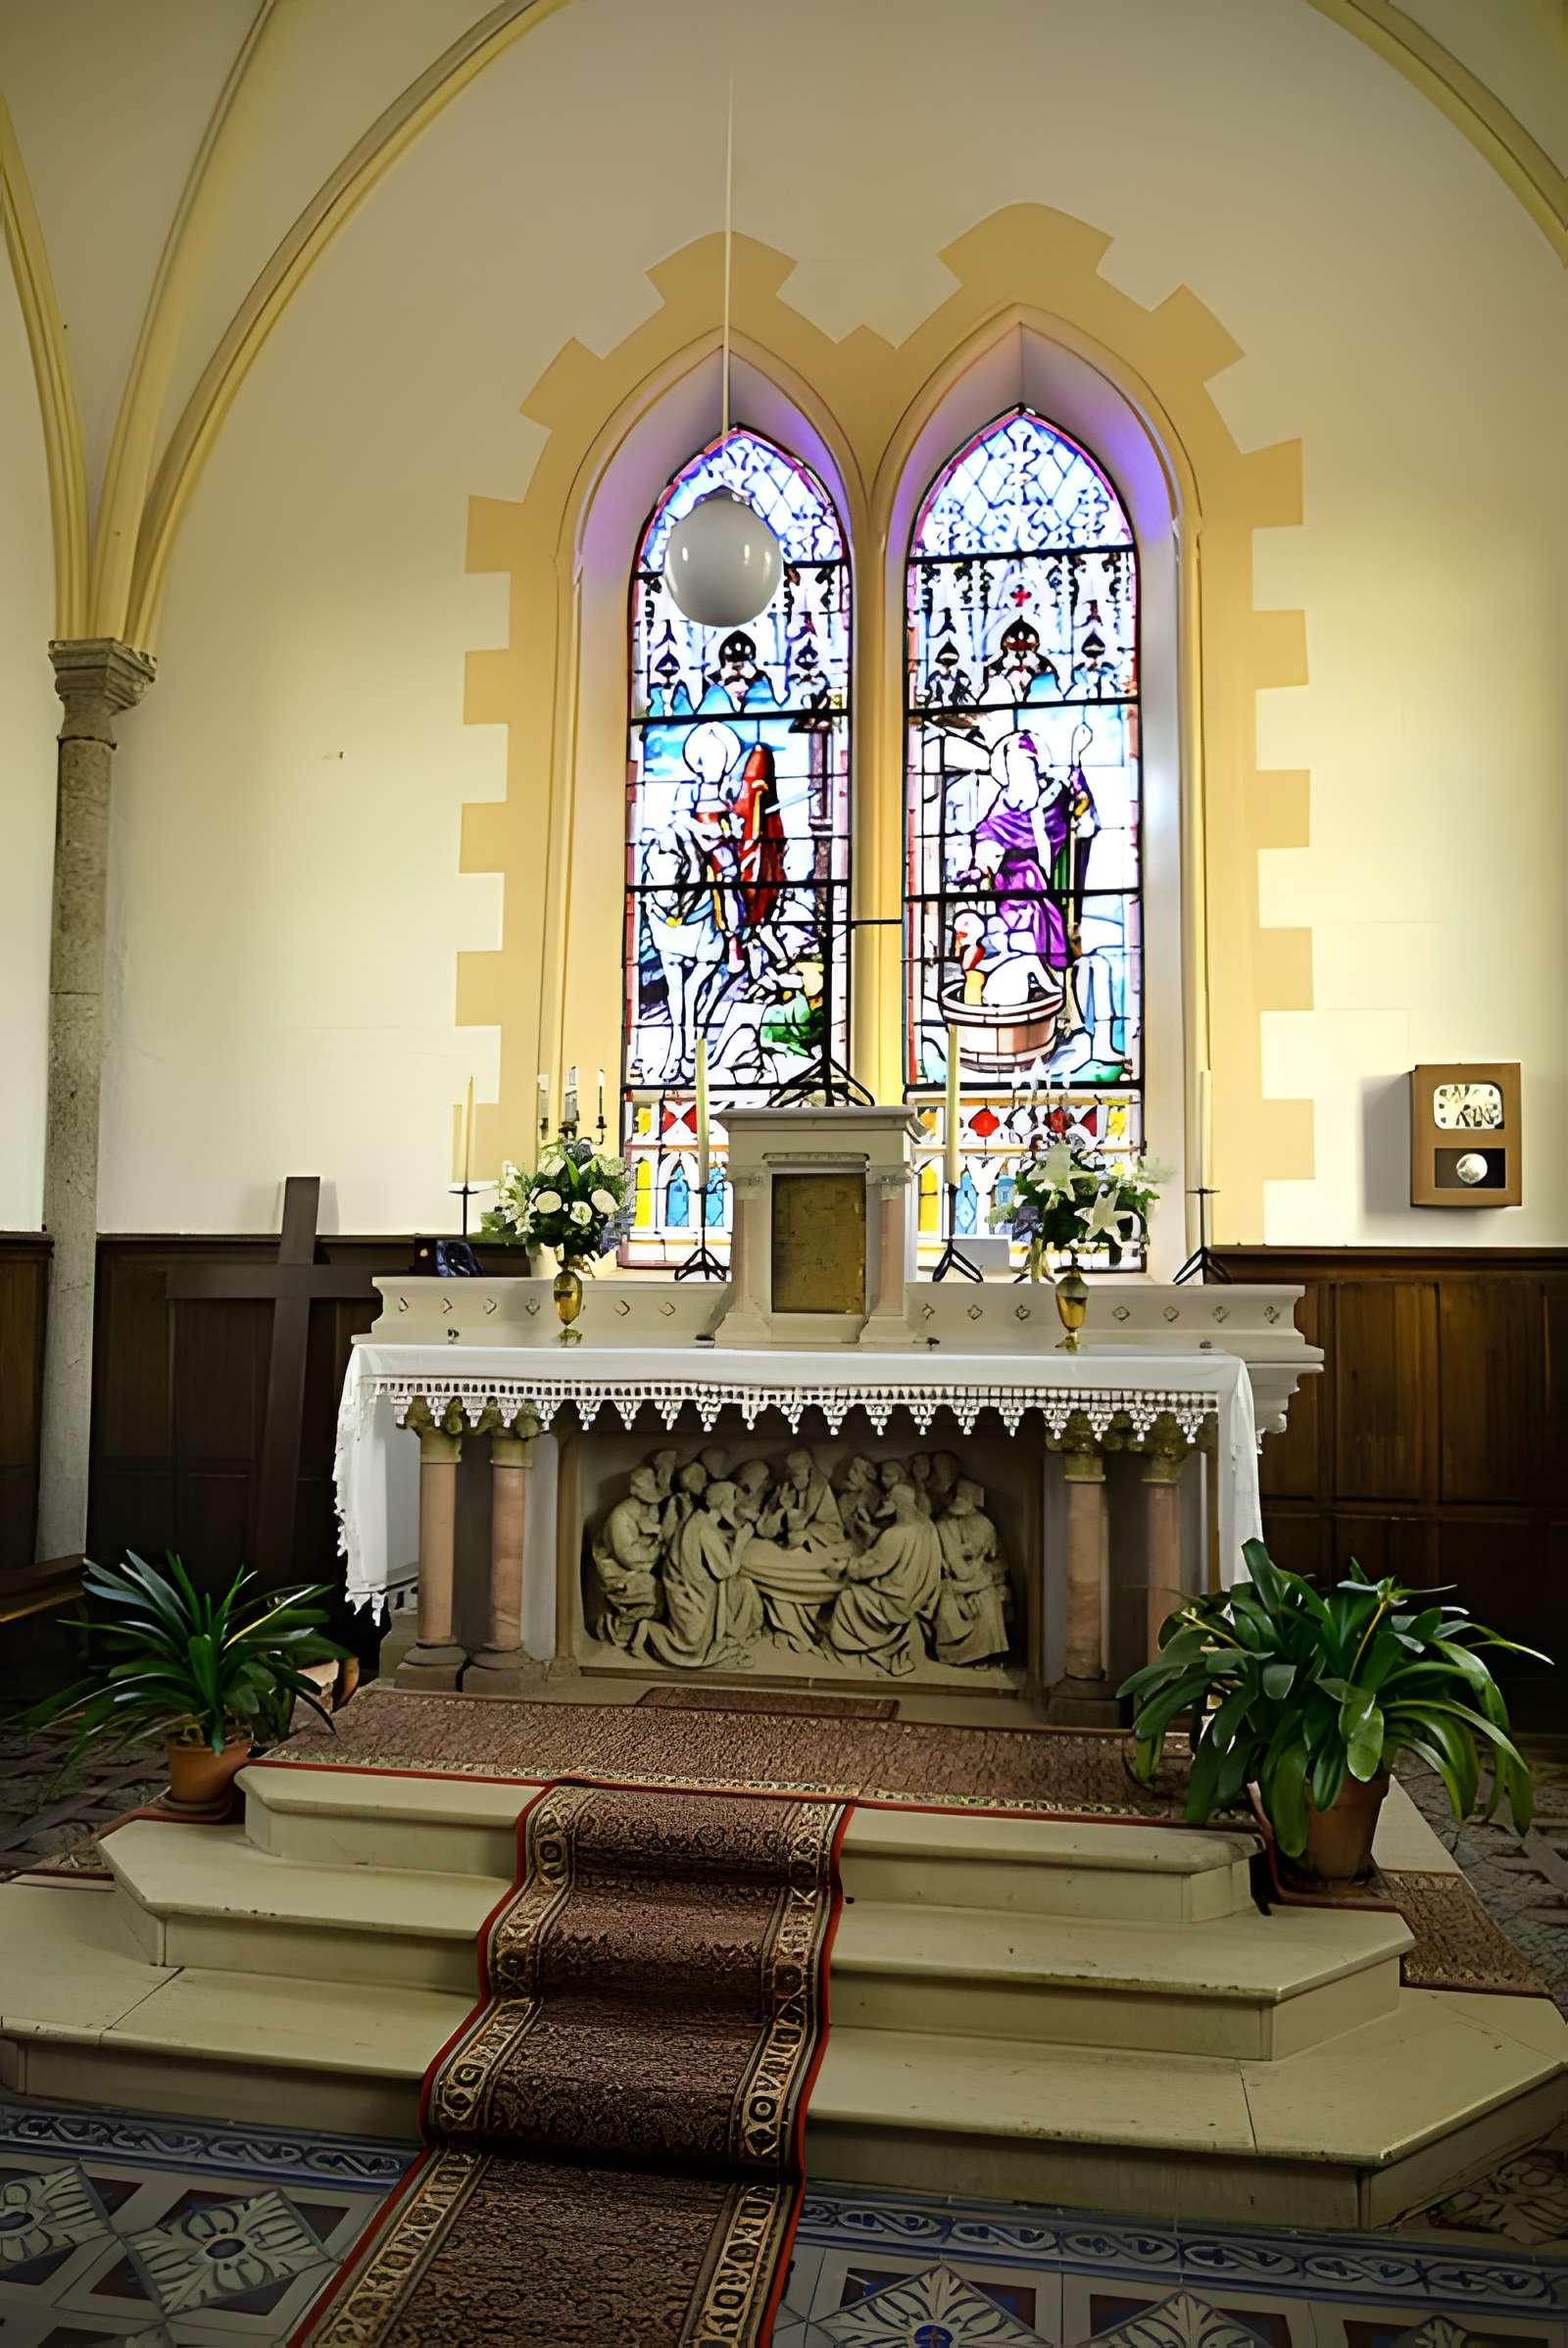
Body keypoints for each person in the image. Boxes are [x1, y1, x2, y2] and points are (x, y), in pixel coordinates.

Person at [827, 1483, 944, 1676]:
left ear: (897, 1503)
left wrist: (845, 1565)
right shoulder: (927, 1526)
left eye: (888, 1497)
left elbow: (873, 1567)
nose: (884, 1500)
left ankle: (857, 1651)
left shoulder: (895, 1534)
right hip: (919, 1593)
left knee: (846, 1597)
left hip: (895, 1599)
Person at [635, 1481, 752, 1669]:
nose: (736, 1505)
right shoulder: (705, 1529)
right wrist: (741, 1541)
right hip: (690, 1591)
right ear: (723, 1503)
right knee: (690, 1644)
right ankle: (645, 1632)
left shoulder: (699, 1519)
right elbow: (726, 1569)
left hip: (691, 1587)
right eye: (733, 1500)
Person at [934, 1479, 1011, 1667]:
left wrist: (984, 1577)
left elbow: (1000, 1562)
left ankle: (986, 1654)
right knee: (952, 1601)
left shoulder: (985, 1525)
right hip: (954, 1581)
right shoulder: (946, 1523)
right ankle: (958, 1654)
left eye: (964, 1498)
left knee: (989, 1599)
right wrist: (967, 1580)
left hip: (983, 1579)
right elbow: (956, 1567)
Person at [589, 1467, 663, 1648]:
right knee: (655, 1589)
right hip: (617, 1572)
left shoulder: (641, 1510)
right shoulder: (620, 1517)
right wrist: (655, 1550)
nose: (651, 1505)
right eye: (647, 1500)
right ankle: (622, 1626)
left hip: (637, 1565)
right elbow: (627, 1556)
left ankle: (636, 1626)